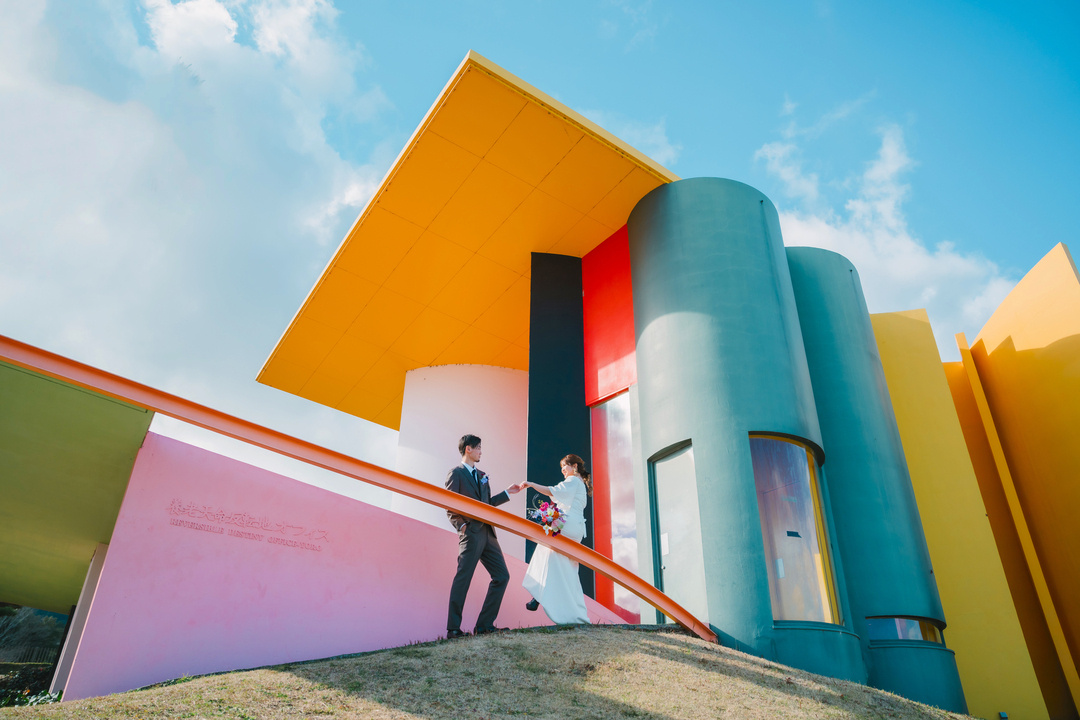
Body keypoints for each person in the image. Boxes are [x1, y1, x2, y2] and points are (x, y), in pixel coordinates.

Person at [445, 433, 522, 639]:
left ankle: (484, 625)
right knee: (463, 579)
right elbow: (449, 504)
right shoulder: (456, 473)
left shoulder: (482, 475)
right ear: (468, 449)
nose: (481, 452)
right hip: (470, 534)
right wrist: (462, 527)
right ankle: (453, 629)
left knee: (502, 576)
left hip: (488, 533)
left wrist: (507, 493)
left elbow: (486, 505)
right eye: (478, 448)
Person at [518, 454, 591, 625]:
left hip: (568, 525)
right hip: (577, 529)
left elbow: (552, 491)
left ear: (574, 466)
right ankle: (573, 610)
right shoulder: (579, 483)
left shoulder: (573, 481)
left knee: (544, 550)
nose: (563, 471)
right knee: (566, 568)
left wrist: (531, 484)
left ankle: (539, 594)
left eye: (564, 466)